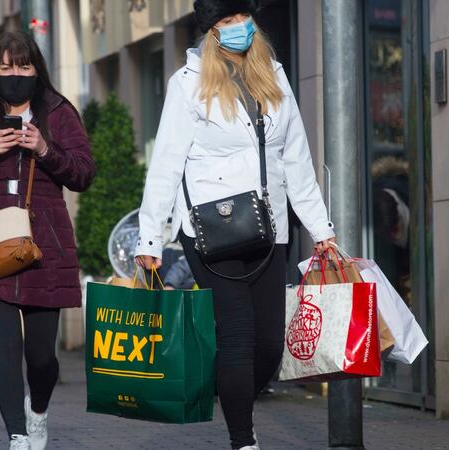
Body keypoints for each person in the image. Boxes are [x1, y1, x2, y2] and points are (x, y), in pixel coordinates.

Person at [134, 2, 335, 448]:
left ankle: (227, 385)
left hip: (269, 227)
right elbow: (166, 163)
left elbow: (296, 158)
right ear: (210, 32)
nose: (236, 28)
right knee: (238, 333)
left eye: (241, 18)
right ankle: (244, 440)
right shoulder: (188, 85)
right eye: (225, 22)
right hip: (211, 228)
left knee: (268, 344)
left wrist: (321, 229)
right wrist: (150, 237)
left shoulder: (275, 76)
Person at [0, 31, 94, 450]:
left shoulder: (59, 112)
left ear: (36, 70)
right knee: (6, 347)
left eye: (24, 66)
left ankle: (38, 413)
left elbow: (83, 173)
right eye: (6, 67)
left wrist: (45, 149)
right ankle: (17, 434)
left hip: (47, 247)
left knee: (42, 357)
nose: (15, 75)